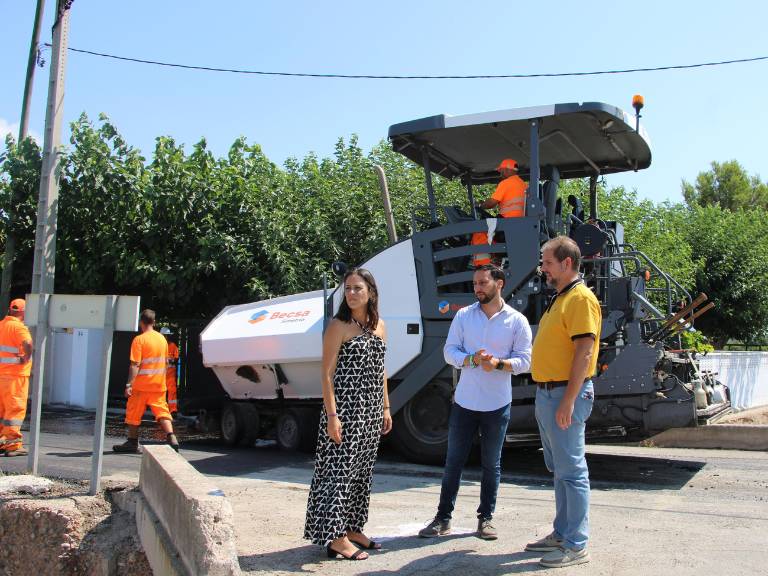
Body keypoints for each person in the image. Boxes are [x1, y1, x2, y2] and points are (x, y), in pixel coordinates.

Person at [419, 264, 532, 540]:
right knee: (453, 462)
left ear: (499, 283)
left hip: (497, 405)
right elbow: (449, 352)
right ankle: (443, 518)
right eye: (475, 284)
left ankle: (486, 519)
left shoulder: (517, 320)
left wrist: (499, 363)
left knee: (491, 464)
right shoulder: (464, 317)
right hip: (465, 403)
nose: (478, 288)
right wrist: (470, 359)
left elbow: (525, 361)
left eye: (483, 283)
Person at [304, 268, 392, 561]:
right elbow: (326, 375)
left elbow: (381, 370)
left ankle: (354, 528)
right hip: (344, 411)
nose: (352, 293)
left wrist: (386, 407)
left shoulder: (380, 326)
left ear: (371, 292)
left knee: (362, 473)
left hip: (370, 410)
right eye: (348, 289)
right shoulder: (338, 326)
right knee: (338, 473)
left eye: (357, 288)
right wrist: (332, 415)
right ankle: (336, 537)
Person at [526, 236, 601, 568]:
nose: (543, 268)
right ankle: (562, 532)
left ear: (567, 263)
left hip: (563, 393)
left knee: (572, 471)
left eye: (548, 262)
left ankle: (576, 544)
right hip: (548, 392)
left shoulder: (580, 299)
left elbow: (584, 353)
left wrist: (568, 401)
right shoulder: (561, 298)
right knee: (560, 471)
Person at [113, 309, 179, 453]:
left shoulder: (139, 340)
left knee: (133, 413)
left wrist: (129, 384)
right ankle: (171, 437)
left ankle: (132, 442)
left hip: (141, 386)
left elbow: (135, 364)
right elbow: (166, 363)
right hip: (158, 385)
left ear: (140, 322)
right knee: (162, 411)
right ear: (154, 322)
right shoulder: (162, 339)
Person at [0, 299, 33, 457]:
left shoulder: (1, 325)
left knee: (2, 411)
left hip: (1, 375)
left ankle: (2, 441)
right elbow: (27, 343)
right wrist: (26, 357)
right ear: (22, 312)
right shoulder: (19, 327)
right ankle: (12, 445)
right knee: (15, 410)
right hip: (15, 376)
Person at [160, 327, 179, 416]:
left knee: (172, 391)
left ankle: (173, 409)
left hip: (170, 374)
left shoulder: (172, 346)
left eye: (166, 335)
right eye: (164, 335)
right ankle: (161, 410)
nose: (165, 337)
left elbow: (176, 358)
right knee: (160, 391)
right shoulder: (158, 346)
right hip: (160, 373)